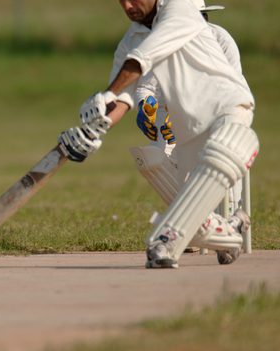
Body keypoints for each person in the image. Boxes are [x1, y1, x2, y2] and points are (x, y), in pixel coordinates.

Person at [58, 0, 258, 269]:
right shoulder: (129, 42)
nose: (128, 6)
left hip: (227, 107)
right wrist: (93, 129)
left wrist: (107, 94)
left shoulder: (180, 8)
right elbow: (123, 98)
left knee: (222, 155)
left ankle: (165, 241)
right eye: (121, 0)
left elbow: (142, 60)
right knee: (196, 211)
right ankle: (230, 229)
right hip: (188, 132)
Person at [130, 0, 249, 262]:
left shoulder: (220, 38)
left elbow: (231, 84)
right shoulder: (166, 39)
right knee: (157, 163)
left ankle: (228, 220)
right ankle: (222, 231)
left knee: (219, 167)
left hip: (219, 116)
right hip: (179, 126)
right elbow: (146, 86)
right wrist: (146, 107)